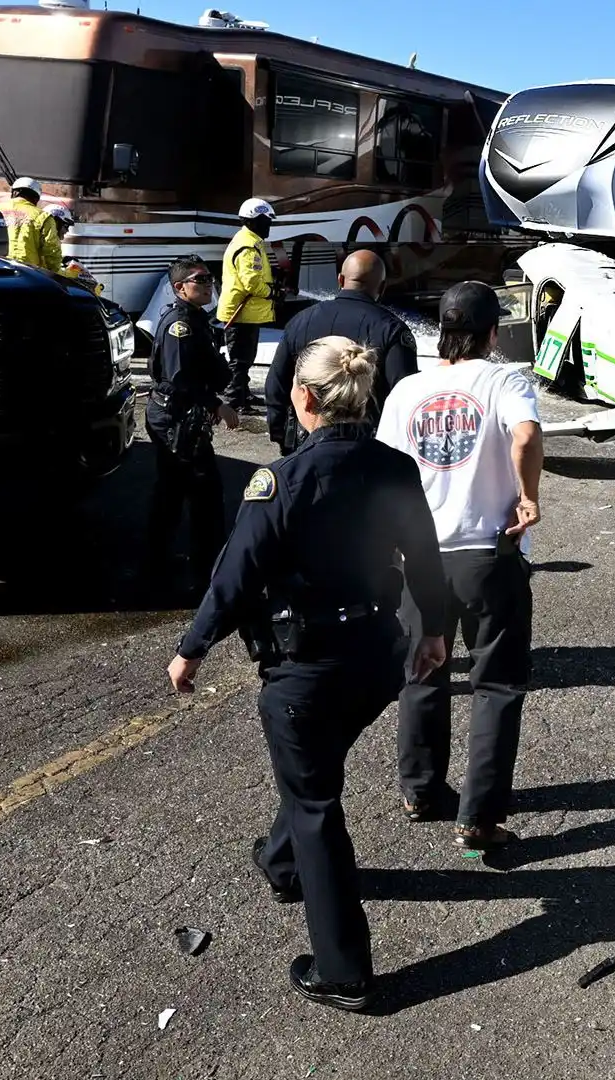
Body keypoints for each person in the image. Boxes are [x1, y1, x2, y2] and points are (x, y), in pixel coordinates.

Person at [165, 336, 449, 1013]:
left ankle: (345, 971)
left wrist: (191, 649)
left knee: (317, 804)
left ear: (304, 398)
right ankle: (280, 858)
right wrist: (436, 629)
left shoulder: (282, 481)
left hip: (307, 672)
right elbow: (427, 558)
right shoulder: (395, 469)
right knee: (314, 774)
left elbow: (234, 578)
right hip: (378, 657)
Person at [377, 282, 542, 850]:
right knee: (495, 683)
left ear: (443, 330)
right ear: (492, 333)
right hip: (487, 553)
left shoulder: (407, 390)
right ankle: (479, 817)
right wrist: (528, 494)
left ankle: (420, 789)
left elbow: (385, 468)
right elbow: (525, 435)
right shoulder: (504, 380)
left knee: (423, 672)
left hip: (421, 556)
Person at [144, 256, 241, 591]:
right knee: (202, 492)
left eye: (209, 278)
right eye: (199, 280)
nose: (207, 284)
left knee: (178, 491)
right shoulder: (179, 326)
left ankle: (163, 558)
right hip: (175, 418)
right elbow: (180, 377)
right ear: (179, 287)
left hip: (185, 415)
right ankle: (206, 566)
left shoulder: (196, 319)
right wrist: (217, 405)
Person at [265, 250, 418, 455]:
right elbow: (406, 396)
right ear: (382, 287)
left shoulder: (301, 321)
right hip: (366, 449)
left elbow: (276, 383)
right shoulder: (391, 330)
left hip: (306, 443)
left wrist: (281, 434)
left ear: (340, 279)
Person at [217, 197, 278, 409]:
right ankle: (234, 401)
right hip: (240, 312)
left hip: (246, 312)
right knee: (240, 361)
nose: (269, 226)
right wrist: (271, 292)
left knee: (245, 358)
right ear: (254, 221)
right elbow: (251, 283)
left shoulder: (250, 241)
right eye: (266, 221)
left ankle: (243, 394)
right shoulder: (248, 246)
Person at [0, 178, 60, 274]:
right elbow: (52, 251)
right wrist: (54, 273)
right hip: (29, 275)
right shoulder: (43, 217)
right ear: (36, 198)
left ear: (14, 193)